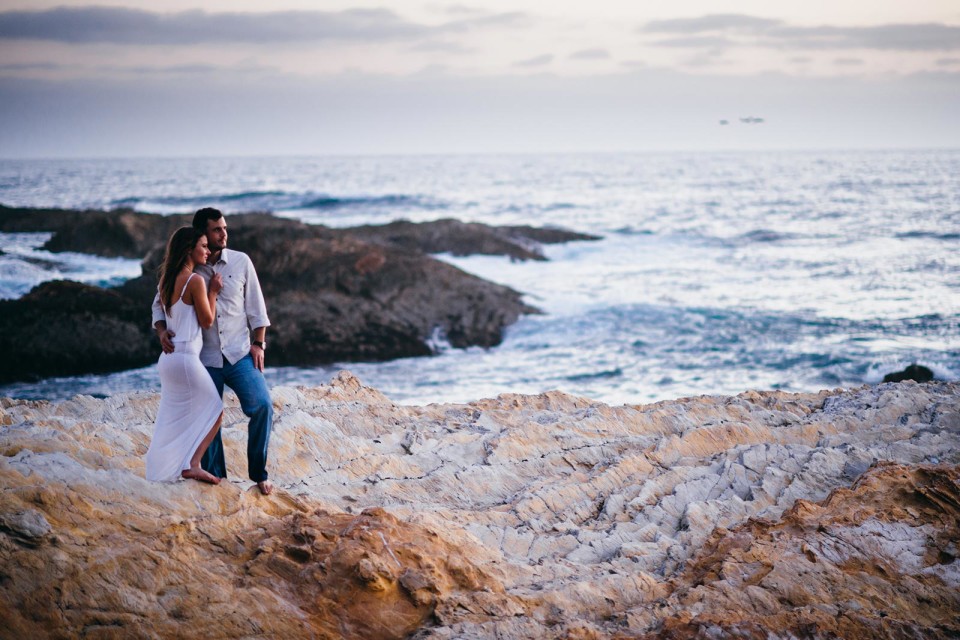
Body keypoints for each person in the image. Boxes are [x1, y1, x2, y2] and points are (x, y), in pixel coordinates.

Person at [152, 207, 275, 495]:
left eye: (224, 228)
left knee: (263, 405)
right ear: (201, 235)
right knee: (209, 415)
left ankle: (259, 473)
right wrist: (161, 331)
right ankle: (218, 478)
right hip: (203, 359)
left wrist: (259, 343)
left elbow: (257, 308)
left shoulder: (241, 262)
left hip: (239, 354)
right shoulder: (190, 269)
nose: (224, 234)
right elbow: (159, 304)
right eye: (217, 230)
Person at [145, 227, 224, 485]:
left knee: (170, 418)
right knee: (215, 409)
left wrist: (160, 332)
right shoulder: (195, 281)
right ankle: (192, 464)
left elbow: (157, 309)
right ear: (189, 249)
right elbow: (207, 320)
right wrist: (213, 291)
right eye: (203, 245)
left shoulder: (166, 280)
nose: (208, 250)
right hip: (186, 358)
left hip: (168, 360)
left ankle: (161, 470)